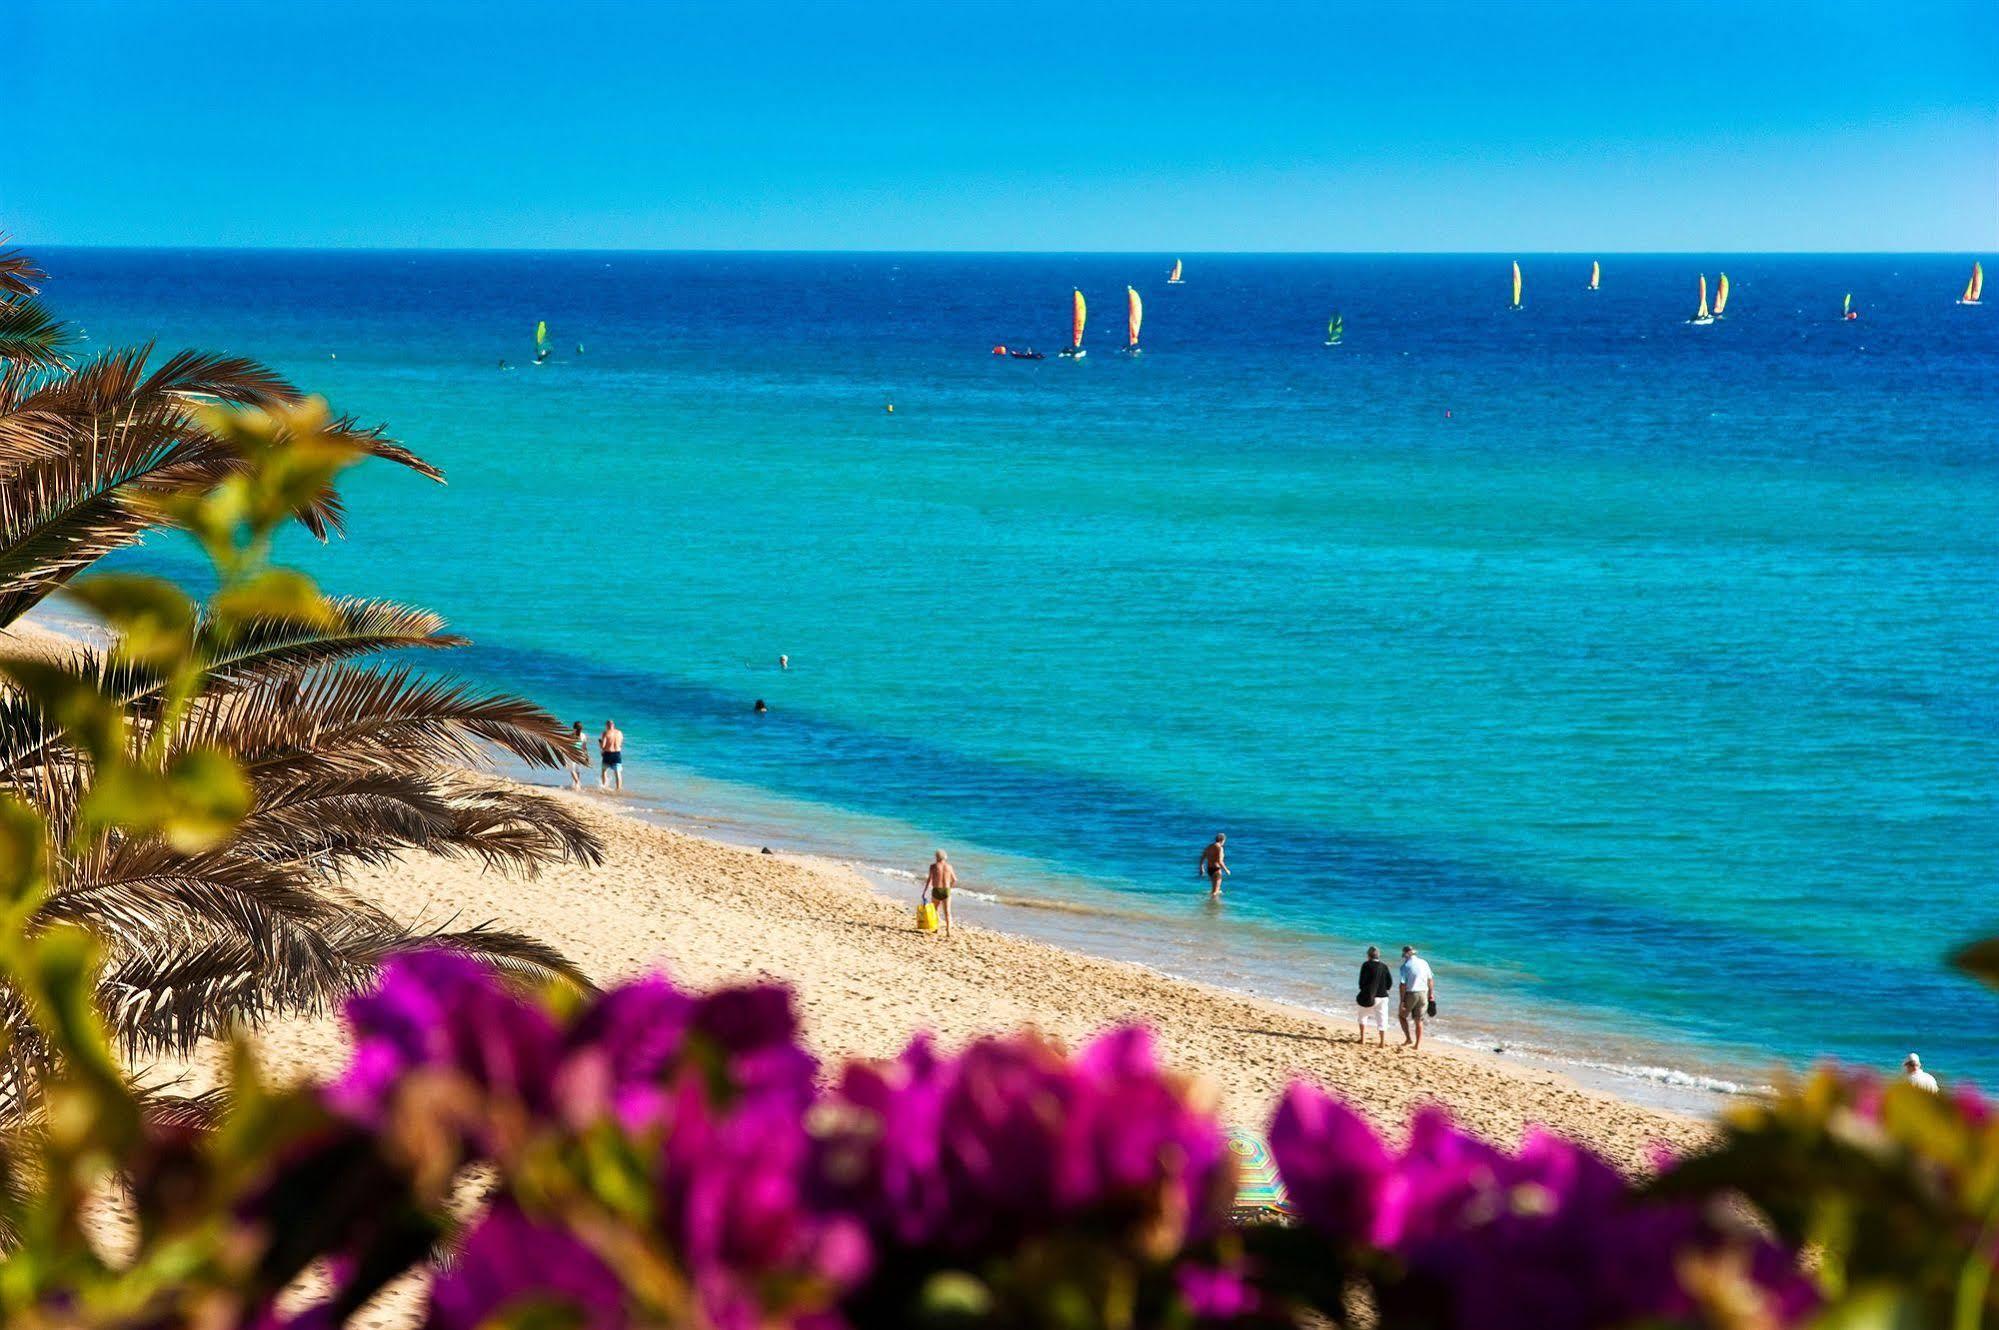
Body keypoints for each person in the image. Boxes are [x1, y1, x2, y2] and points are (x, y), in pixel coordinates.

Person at [1397, 945, 1435, 1050]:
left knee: (1402, 1016)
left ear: (1405, 955)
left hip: (1411, 993)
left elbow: (1403, 985)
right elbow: (1430, 980)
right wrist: (1431, 994)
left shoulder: (1405, 966)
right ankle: (1417, 1045)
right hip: (1423, 992)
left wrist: (1402, 1001)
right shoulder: (1424, 962)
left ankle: (1408, 1038)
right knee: (1419, 1020)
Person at [1355, 945, 1395, 1047]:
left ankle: (1363, 1038)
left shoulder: (1366, 965)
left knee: (1363, 1015)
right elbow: (1389, 982)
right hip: (1383, 996)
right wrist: (1384, 989)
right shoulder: (1384, 966)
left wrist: (1364, 989)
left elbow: (1361, 982)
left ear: (1368, 955)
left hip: (1369, 995)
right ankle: (1382, 1042)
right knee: (1382, 1018)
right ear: (1378, 956)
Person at [923, 851, 957, 939]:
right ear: (945, 857)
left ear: (936, 857)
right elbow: (955, 880)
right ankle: (948, 931)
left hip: (936, 890)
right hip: (946, 890)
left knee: (935, 910)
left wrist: (925, 891)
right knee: (947, 912)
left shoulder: (933, 866)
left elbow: (929, 879)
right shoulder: (949, 867)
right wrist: (950, 888)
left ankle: (936, 928)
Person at [1198, 834, 1229, 898]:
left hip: (1209, 869)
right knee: (1216, 892)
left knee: (1214, 890)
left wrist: (1201, 867)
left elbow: (1202, 858)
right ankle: (1213, 905)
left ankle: (1210, 903)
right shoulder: (1220, 848)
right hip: (1216, 870)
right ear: (1222, 840)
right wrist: (1226, 870)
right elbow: (1220, 861)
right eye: (1224, 841)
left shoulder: (1209, 846)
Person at [598, 720, 624, 792]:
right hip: (617, 754)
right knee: (617, 773)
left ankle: (604, 787)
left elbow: (603, 746)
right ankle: (618, 789)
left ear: (607, 725)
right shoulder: (619, 733)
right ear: (613, 725)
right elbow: (621, 743)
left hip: (608, 753)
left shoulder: (606, 733)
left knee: (604, 771)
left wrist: (600, 743)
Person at [566, 721, 587, 790]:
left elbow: (568, 746)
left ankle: (577, 783)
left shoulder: (571, 735)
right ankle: (576, 785)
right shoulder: (583, 735)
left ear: (574, 728)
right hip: (580, 754)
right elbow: (584, 747)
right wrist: (586, 756)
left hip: (572, 754)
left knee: (572, 770)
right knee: (577, 770)